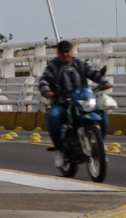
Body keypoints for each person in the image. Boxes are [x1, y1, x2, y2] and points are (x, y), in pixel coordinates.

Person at [38, 39, 111, 168]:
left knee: (102, 115)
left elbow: (92, 73)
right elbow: (44, 80)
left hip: (82, 100)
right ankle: (59, 150)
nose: (65, 54)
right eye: (62, 52)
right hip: (62, 102)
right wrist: (47, 91)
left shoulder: (79, 64)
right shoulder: (53, 66)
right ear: (58, 53)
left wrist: (103, 82)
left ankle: (100, 145)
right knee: (54, 117)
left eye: (67, 51)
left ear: (72, 51)